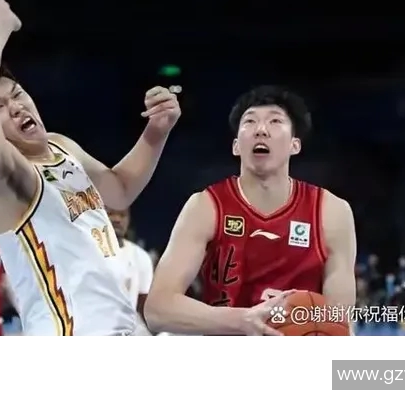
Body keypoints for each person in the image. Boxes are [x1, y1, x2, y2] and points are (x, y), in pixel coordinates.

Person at [0, 0, 180, 336]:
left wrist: (156, 132)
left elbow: (119, 190)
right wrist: (1, 23)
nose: (16, 107)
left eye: (18, 95)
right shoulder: (3, 177)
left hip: (121, 332)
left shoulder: (61, 147)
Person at [145, 85, 356, 335]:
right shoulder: (205, 207)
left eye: (275, 121)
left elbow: (340, 319)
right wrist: (243, 320)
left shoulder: (331, 212)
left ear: (295, 145)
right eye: (250, 122)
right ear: (236, 146)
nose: (261, 130)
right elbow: (158, 309)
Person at [107, 208, 155, 335]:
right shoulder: (86, 253)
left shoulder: (141, 257)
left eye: (122, 215)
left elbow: (144, 305)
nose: (117, 219)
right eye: (110, 213)